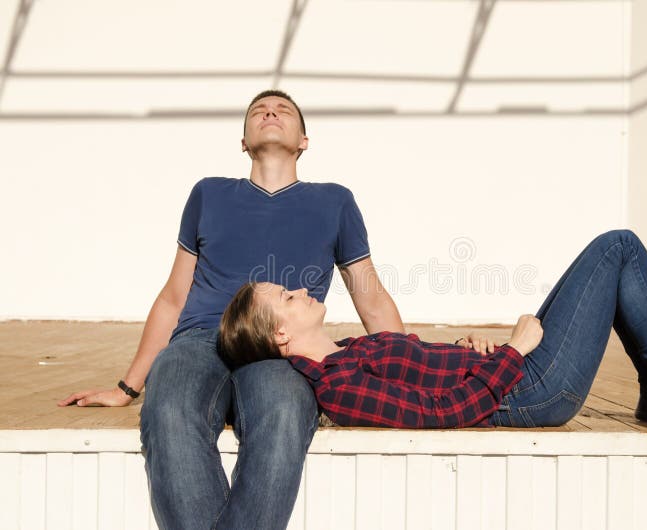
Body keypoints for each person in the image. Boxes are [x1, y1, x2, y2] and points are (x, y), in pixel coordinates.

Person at [58, 90, 404, 529]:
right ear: (243, 142)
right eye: (259, 110)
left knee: (282, 417)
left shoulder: (335, 201)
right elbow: (173, 296)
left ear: (304, 141)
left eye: (284, 110)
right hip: (201, 339)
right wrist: (127, 388)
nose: (271, 111)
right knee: (168, 410)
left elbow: (370, 296)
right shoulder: (209, 194)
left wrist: (403, 374)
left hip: (279, 348)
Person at [218, 229, 647, 430]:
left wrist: (469, 350)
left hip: (513, 373)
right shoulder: (338, 386)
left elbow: (426, 376)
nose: (303, 290)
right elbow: (439, 414)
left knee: (616, 250)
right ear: (281, 337)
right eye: (288, 298)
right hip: (533, 392)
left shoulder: (348, 350)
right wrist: (514, 354)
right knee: (617, 248)